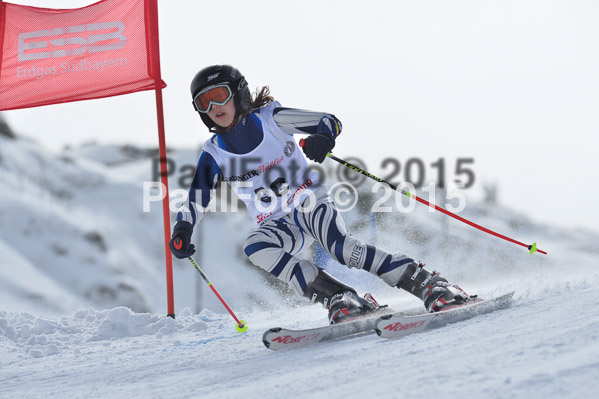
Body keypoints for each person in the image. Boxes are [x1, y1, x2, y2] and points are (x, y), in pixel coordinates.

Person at [169, 64, 470, 324]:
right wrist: (183, 228)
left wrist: (323, 138)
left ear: (238, 94)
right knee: (256, 246)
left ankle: (427, 283)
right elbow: (197, 196)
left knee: (340, 248)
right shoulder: (214, 152)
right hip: (277, 221)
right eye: (203, 103)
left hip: (308, 201)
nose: (213, 108)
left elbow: (329, 120)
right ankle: (339, 297)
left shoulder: (271, 119)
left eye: (219, 96)